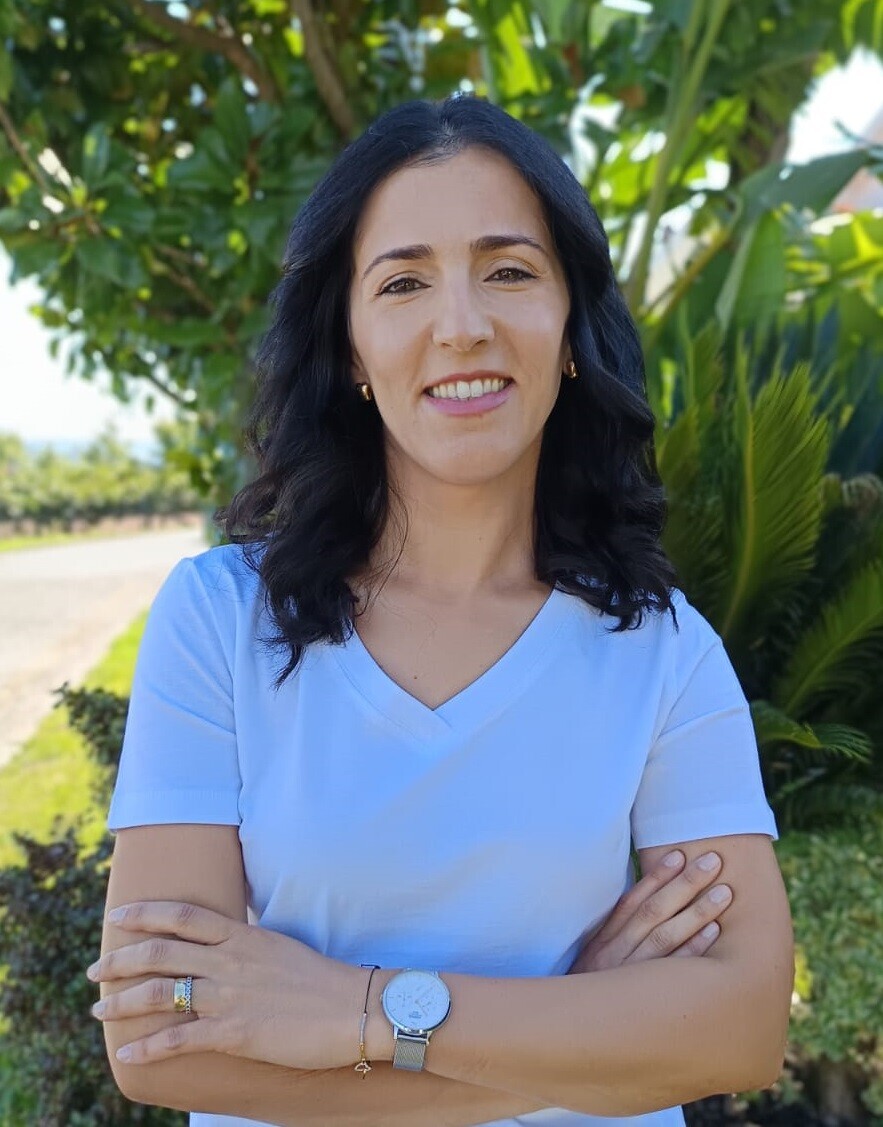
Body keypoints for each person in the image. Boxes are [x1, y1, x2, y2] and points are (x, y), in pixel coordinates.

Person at [87, 94, 794, 1127]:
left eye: (509, 270)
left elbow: (739, 1029)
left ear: (569, 332)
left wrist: (360, 1010)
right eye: (404, 281)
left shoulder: (664, 653)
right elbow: (159, 1039)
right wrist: (580, 1031)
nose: (461, 324)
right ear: (354, 350)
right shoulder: (218, 620)